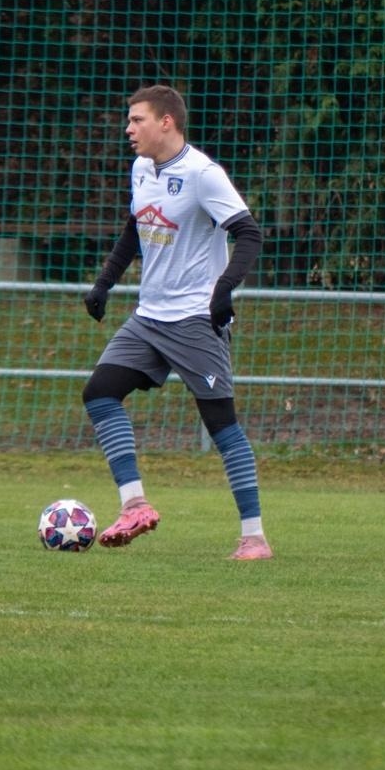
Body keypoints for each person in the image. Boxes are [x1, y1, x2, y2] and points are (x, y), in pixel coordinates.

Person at [80, 84, 271, 560]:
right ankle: (135, 506)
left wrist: (223, 291)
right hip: (149, 317)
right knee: (100, 393)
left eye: (137, 119)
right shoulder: (142, 169)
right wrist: (104, 283)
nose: (128, 129)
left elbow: (248, 233)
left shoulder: (203, 174)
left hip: (193, 320)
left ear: (166, 122)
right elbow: (135, 226)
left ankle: (254, 538)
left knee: (221, 424)